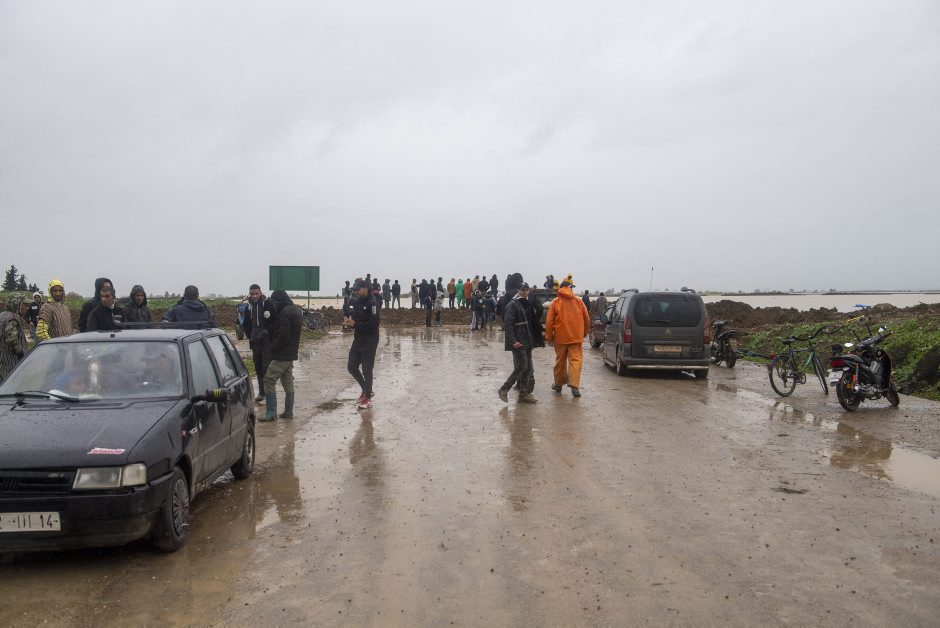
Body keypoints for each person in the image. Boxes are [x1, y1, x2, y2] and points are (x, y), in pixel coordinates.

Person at [545, 276, 592, 398]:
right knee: (575, 360)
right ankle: (574, 385)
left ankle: (558, 384)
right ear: (570, 288)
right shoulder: (579, 301)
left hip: (560, 338)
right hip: (576, 337)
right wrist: (585, 333)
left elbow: (549, 321)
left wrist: (549, 337)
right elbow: (587, 319)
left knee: (560, 361)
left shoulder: (555, 302)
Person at [262, 290, 302, 421]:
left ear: (279, 301)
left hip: (282, 354)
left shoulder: (285, 313)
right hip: (291, 353)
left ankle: (271, 412)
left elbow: (283, 336)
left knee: (268, 380)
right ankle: (288, 412)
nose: (273, 304)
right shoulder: (295, 310)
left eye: (274, 302)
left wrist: (272, 348)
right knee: (287, 381)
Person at [498, 283, 537, 404]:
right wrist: (513, 341)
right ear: (518, 291)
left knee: (529, 368)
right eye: (523, 290)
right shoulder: (512, 305)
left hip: (527, 341)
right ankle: (504, 389)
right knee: (522, 366)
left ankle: (524, 394)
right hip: (518, 341)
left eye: (527, 290)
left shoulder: (526, 304)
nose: (525, 292)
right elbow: (508, 325)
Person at [346, 279, 380, 410]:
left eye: (358, 290)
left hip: (370, 340)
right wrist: (350, 323)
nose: (356, 292)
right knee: (351, 366)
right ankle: (366, 390)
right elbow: (355, 317)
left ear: (366, 288)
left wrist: (356, 325)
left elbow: (373, 324)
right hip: (358, 339)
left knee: (367, 370)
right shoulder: (358, 301)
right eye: (355, 290)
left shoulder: (373, 303)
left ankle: (368, 398)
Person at [243, 284, 273, 402]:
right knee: (258, 366)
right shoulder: (248, 307)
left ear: (261, 293)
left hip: (266, 341)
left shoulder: (267, 304)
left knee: (266, 366)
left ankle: (269, 394)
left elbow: (274, 321)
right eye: (252, 294)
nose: (254, 296)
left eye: (256, 293)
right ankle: (261, 393)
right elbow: (246, 323)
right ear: (249, 294)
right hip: (255, 341)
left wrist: (266, 332)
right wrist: (250, 335)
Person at [0, 293, 29, 383]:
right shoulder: (12, 318)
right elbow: (12, 340)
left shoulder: (2, 315)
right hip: (11, 363)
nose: (27, 308)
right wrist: (21, 354)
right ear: (17, 304)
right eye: (25, 305)